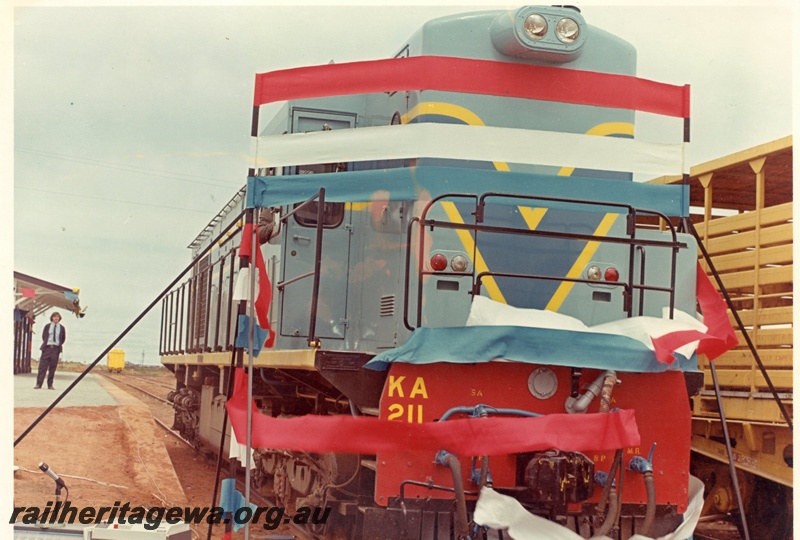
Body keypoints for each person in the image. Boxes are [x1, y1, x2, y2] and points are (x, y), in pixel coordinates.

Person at [36, 312, 66, 390]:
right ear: (52, 318)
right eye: (54, 317)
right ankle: (39, 384)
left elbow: (62, 339)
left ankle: (50, 385)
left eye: (57, 317)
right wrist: (47, 344)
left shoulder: (62, 328)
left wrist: (57, 345)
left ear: (59, 318)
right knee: (42, 367)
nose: (56, 318)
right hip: (47, 348)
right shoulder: (47, 326)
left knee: (52, 367)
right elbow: (44, 336)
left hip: (55, 349)